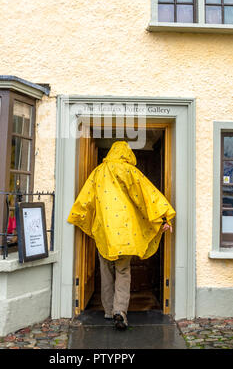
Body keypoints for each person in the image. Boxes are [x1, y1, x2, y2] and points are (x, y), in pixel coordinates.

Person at [67, 141, 176, 330]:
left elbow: (85, 199)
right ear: (126, 153)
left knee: (106, 271)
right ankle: (120, 311)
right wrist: (164, 217)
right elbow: (148, 195)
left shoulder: (98, 172)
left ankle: (108, 311)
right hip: (126, 233)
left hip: (104, 232)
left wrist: (77, 217)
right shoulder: (130, 171)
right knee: (123, 272)